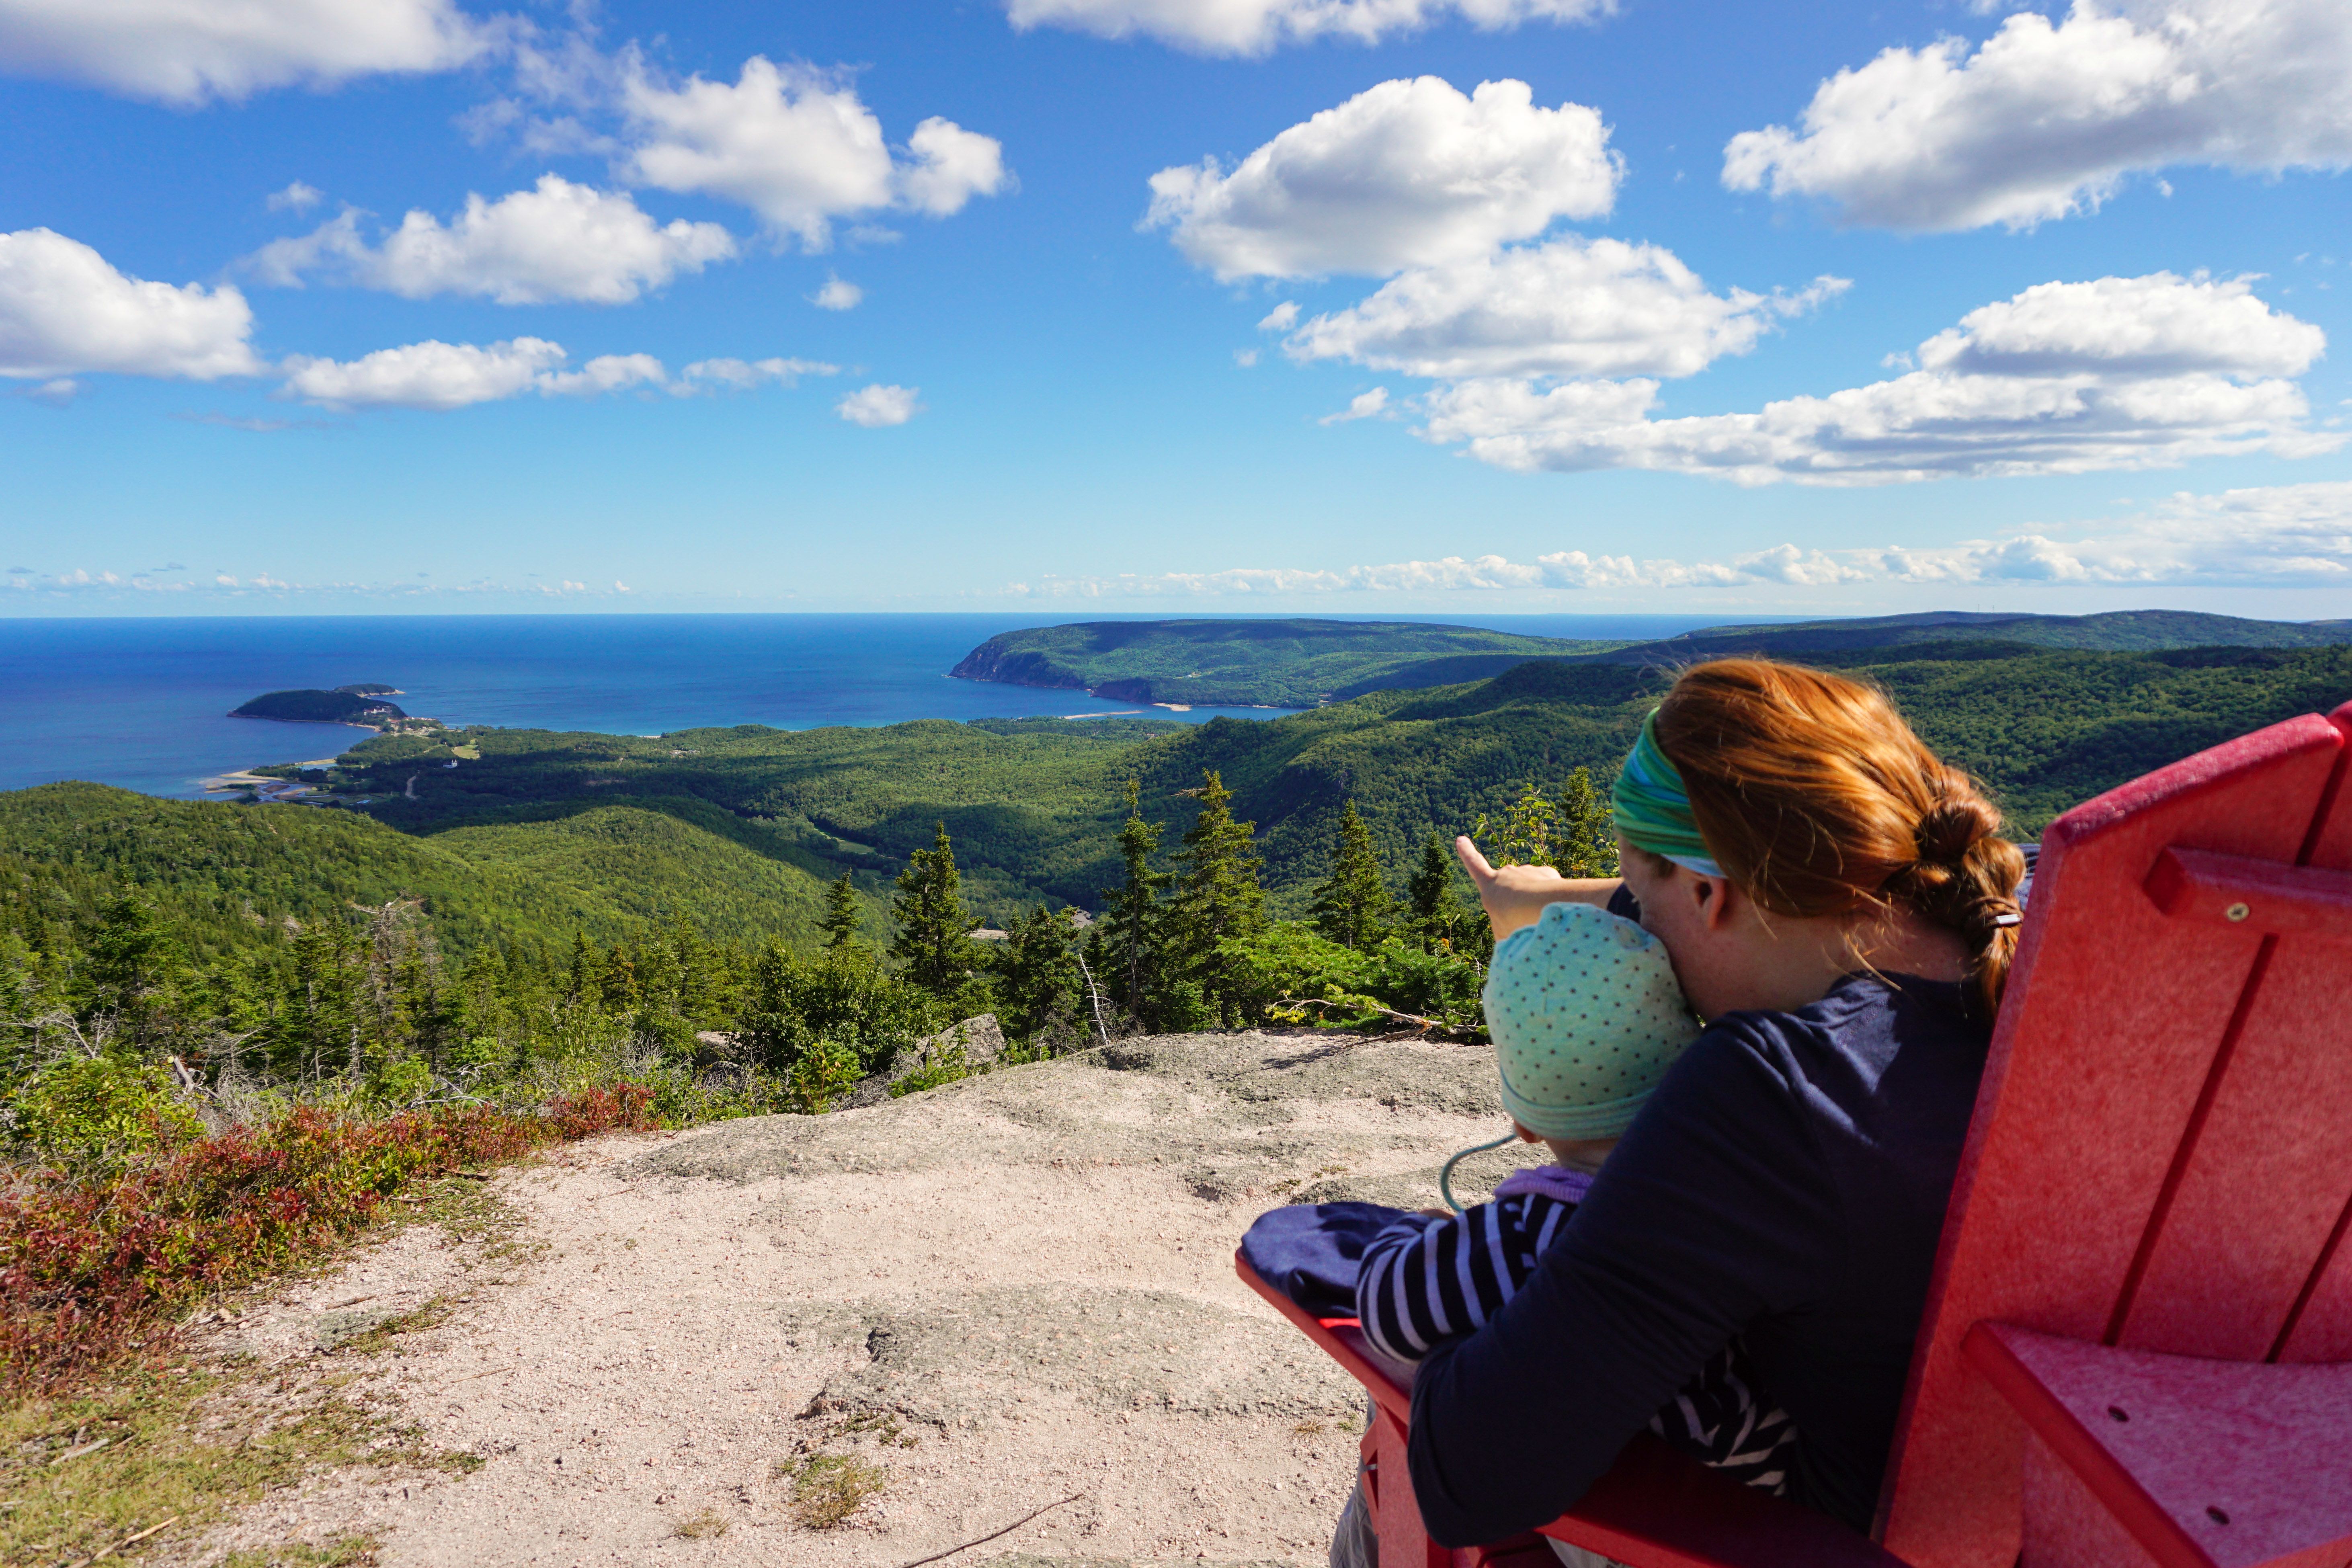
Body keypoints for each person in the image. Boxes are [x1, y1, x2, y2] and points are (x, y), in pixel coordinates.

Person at [1401, 658, 2025, 1547]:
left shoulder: (1777, 1091)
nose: (1638, 935)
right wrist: (1535, 900)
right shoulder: (2035, 933)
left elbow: (1472, 1474)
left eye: (1642, 906)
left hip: (1836, 1531)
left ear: (1706, 891)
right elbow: (1720, 903)